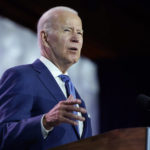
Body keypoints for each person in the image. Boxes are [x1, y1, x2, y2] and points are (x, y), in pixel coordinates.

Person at [0, 6, 92, 150]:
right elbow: (3, 135)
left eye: (80, 33)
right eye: (67, 30)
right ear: (45, 37)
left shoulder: (76, 96)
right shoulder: (22, 76)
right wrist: (45, 121)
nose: (76, 38)